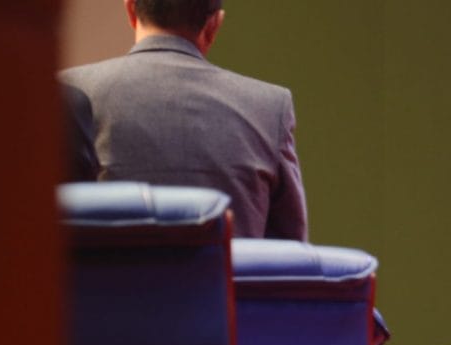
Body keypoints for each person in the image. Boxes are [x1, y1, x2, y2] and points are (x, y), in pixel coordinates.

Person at [59, 0, 308, 240]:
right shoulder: (270, 107)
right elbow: (290, 256)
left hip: (105, 284)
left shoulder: (70, 92)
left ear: (131, 9)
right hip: (222, 285)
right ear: (214, 25)